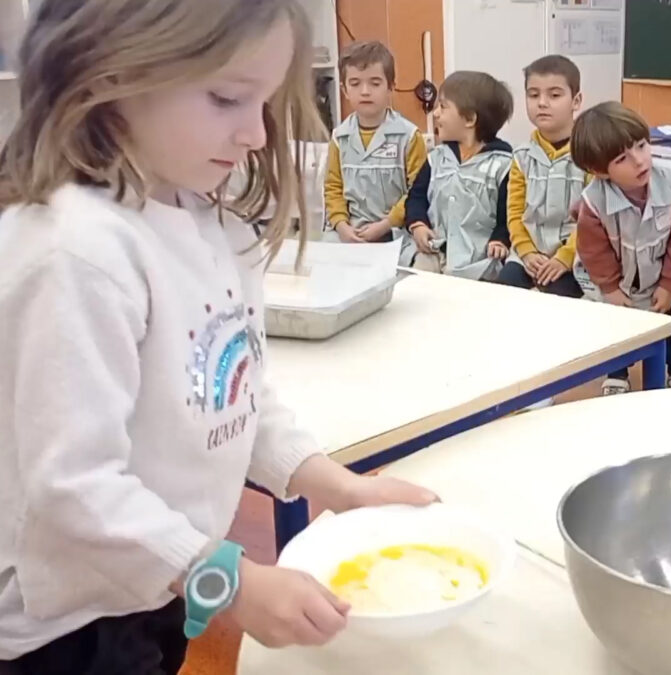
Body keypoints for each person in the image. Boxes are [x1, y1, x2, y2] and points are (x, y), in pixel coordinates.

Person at [0, 2, 436, 672]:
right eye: (228, 98)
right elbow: (72, 490)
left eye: (262, 103)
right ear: (109, 71)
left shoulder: (200, 212)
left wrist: (335, 485)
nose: (257, 135)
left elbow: (232, 389)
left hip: (159, 577)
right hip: (62, 627)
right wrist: (228, 579)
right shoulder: (74, 250)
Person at [572, 102, 671, 395]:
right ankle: (616, 373)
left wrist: (669, 285)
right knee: (615, 322)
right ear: (599, 171)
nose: (640, 161)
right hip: (617, 282)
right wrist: (612, 290)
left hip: (662, 277)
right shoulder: (592, 203)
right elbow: (594, 253)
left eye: (641, 146)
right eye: (622, 159)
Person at [323, 40, 426, 266]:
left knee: (419, 266)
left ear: (391, 87)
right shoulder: (339, 138)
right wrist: (341, 226)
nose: (365, 91)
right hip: (349, 233)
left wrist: (385, 224)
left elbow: (418, 191)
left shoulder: (409, 136)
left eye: (375, 83)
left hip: (396, 232)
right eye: (355, 83)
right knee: (323, 265)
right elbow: (333, 189)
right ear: (344, 90)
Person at [404, 71, 514, 280]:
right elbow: (416, 197)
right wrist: (418, 224)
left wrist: (500, 240)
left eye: (443, 107)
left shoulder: (503, 165)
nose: (435, 114)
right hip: (434, 251)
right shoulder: (436, 158)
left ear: (470, 119)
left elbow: (509, 215)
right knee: (417, 284)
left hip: (478, 260)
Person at [497, 55, 586, 298]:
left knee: (556, 302)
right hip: (528, 255)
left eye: (555, 95)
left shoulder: (589, 155)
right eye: (533, 95)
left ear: (576, 101)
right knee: (502, 295)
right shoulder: (521, 156)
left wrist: (564, 259)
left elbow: (593, 220)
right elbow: (514, 214)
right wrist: (526, 252)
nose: (542, 103)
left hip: (575, 258)